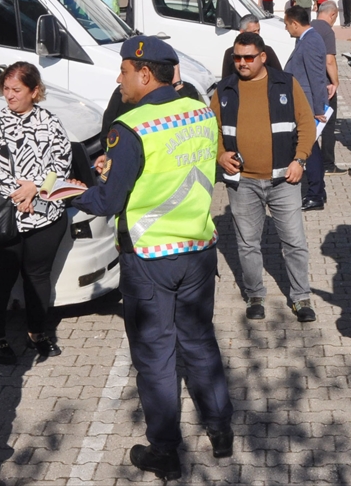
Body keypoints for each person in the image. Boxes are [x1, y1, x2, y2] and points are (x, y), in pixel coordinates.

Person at [71, 36, 234, 481]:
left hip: (150, 256)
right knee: (199, 342)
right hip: (199, 248)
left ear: (145, 74)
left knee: (156, 355)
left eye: (123, 71)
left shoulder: (131, 126)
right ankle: (221, 432)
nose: (119, 79)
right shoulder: (201, 112)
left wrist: (70, 193)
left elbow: (108, 200)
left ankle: (165, 449)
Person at [212, 32, 317, 323]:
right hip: (242, 182)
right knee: (247, 243)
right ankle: (255, 294)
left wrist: (300, 160)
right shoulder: (224, 90)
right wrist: (221, 155)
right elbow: (213, 132)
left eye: (248, 57)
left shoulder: (286, 83)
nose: (242, 63)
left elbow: (306, 125)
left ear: (262, 56)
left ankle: (301, 297)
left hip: (285, 179)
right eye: (237, 57)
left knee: (294, 241)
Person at [0, 62, 73, 364]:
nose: (10, 95)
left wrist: (37, 188)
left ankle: (36, 333)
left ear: (34, 91)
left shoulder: (51, 122)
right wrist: (20, 193)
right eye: (6, 89)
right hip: (5, 216)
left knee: (38, 277)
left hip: (45, 215)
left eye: (17, 90)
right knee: (1, 280)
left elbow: (62, 162)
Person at [282, 5, 329, 211]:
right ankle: (318, 191)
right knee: (309, 147)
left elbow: (317, 78)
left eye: (286, 24)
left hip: (309, 106)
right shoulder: (307, 39)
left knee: (309, 149)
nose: (286, 29)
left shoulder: (311, 41)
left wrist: (318, 108)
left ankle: (315, 194)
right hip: (305, 103)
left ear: (294, 23)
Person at [312, 1, 341, 174]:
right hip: (324, 84)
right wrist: (335, 82)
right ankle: (328, 164)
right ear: (332, 15)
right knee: (328, 125)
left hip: (309, 83)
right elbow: (329, 60)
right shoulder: (326, 31)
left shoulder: (308, 27)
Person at [222, 15, 282, 79]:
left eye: (258, 30)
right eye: (253, 32)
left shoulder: (267, 51)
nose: (257, 34)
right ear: (242, 32)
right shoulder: (230, 53)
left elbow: (279, 76)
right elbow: (225, 80)